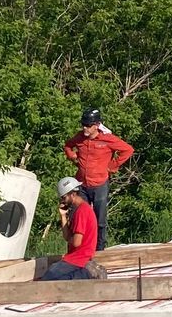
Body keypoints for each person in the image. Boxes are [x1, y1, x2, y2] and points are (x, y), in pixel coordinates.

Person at [63, 108, 133, 251]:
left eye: (88, 125)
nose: (85, 128)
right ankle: (76, 250)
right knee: (77, 218)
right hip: (81, 185)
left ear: (97, 125)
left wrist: (112, 166)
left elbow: (128, 150)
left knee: (99, 221)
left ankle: (99, 250)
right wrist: (73, 157)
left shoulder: (107, 139)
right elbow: (68, 145)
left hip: (100, 185)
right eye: (83, 124)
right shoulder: (80, 137)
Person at [39, 178, 102, 281]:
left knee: (49, 278)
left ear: (72, 194)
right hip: (76, 257)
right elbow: (67, 237)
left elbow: (76, 242)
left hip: (80, 257)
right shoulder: (79, 210)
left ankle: (88, 273)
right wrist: (63, 216)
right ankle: (86, 273)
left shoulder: (82, 212)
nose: (62, 201)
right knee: (51, 273)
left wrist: (70, 238)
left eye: (64, 197)